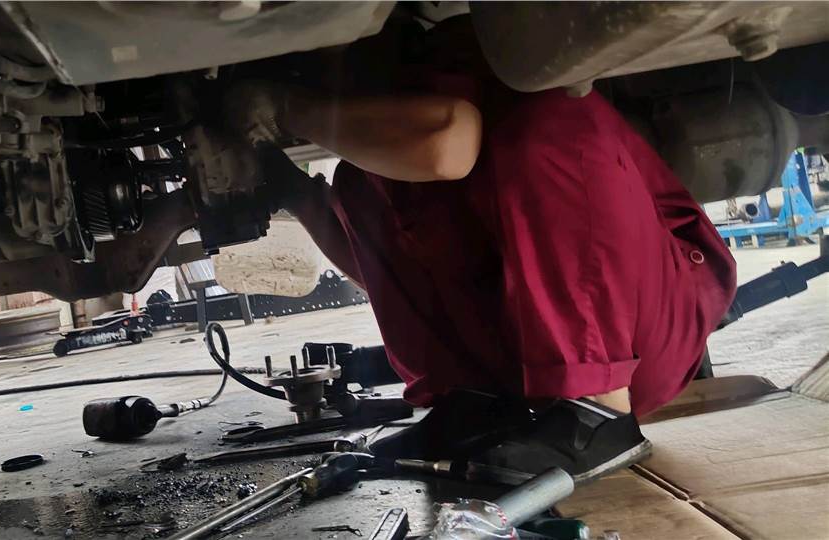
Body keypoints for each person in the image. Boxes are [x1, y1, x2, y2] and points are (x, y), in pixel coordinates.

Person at [224, 20, 737, 484]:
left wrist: (287, 109)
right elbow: (377, 270)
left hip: (642, 337)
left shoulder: (463, 58)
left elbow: (447, 143)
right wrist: (288, 186)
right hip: (528, 372)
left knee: (547, 120)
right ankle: (472, 408)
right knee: (361, 183)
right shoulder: (383, 118)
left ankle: (598, 417)